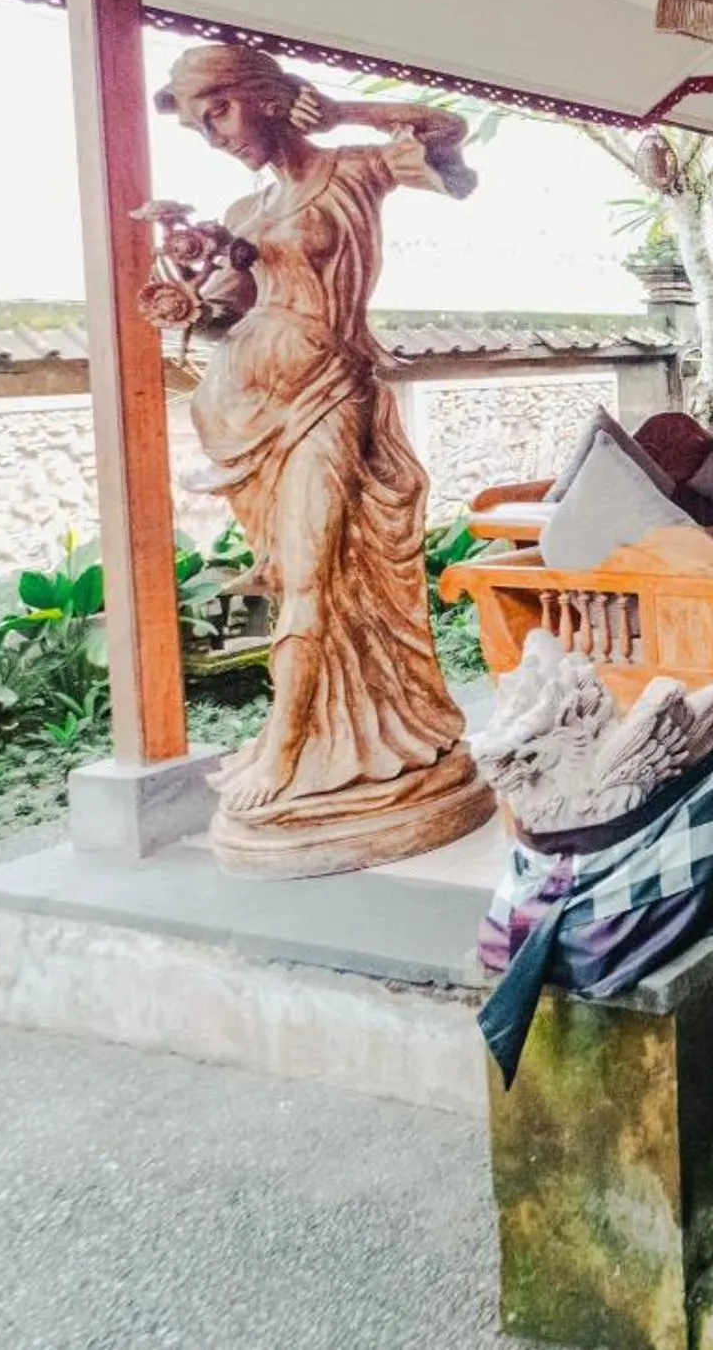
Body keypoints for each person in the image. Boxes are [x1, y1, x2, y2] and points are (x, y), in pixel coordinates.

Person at [150, 44, 483, 843]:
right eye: (199, 123)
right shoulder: (242, 216)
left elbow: (449, 136)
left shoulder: (356, 169)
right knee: (300, 573)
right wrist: (187, 302)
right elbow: (232, 311)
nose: (214, 134)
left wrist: (343, 111)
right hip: (248, 418)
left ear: (267, 95)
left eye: (221, 109)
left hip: (331, 398)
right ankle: (309, 738)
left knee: (316, 568)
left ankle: (291, 747)